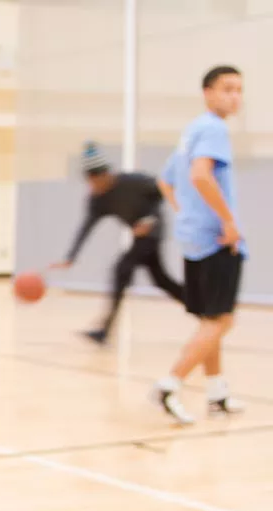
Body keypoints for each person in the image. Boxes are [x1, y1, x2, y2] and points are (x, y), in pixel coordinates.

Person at [153, 65, 246, 425]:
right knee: (222, 321)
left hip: (192, 236)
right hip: (213, 239)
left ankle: (217, 392)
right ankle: (169, 385)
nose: (235, 96)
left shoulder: (191, 132)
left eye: (239, 89)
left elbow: (166, 181)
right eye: (227, 89)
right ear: (208, 92)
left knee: (212, 318)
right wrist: (227, 220)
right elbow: (199, 175)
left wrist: (186, 213)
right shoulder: (213, 129)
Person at [51, 142, 183, 345]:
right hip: (140, 237)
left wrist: (149, 219)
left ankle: (104, 330)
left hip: (153, 230)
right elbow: (86, 228)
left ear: (104, 175)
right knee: (161, 280)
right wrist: (71, 257)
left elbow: (160, 191)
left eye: (94, 181)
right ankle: (202, 308)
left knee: (122, 269)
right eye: (89, 182)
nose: (93, 186)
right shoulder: (98, 200)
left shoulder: (133, 182)